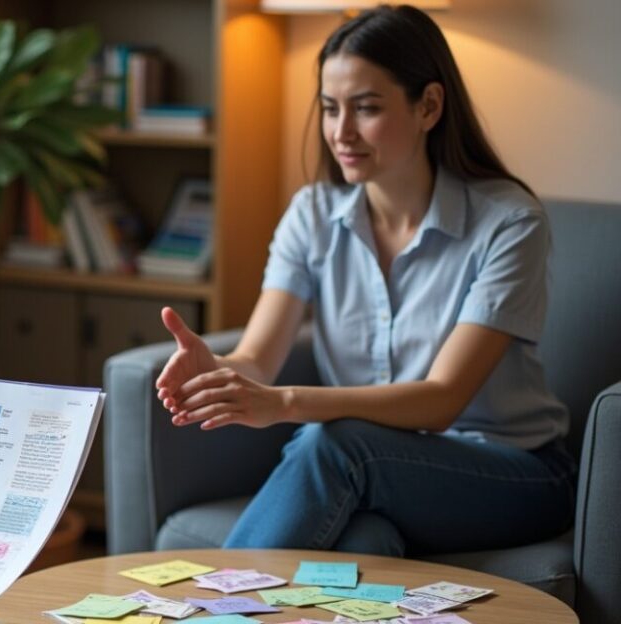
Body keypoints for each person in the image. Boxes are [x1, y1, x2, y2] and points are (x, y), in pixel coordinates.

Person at [155, 5, 575, 556]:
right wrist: (218, 370)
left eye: (367, 108)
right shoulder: (312, 214)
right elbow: (258, 357)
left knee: (335, 444)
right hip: (386, 479)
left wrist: (284, 403)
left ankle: (204, 606)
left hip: (514, 475)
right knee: (365, 539)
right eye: (330, 109)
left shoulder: (510, 222)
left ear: (429, 106)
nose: (341, 132)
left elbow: (441, 400)